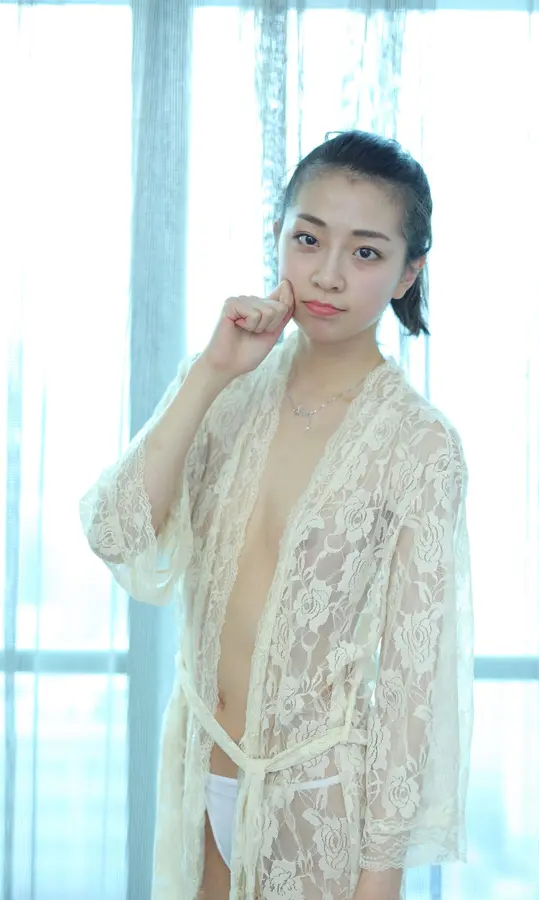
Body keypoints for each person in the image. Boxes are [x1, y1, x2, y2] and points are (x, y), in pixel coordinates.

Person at [80, 130, 474, 900]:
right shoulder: (228, 385)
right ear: (279, 236)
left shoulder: (420, 445)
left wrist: (380, 878)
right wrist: (211, 371)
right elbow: (116, 531)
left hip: (318, 805)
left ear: (408, 272)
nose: (327, 274)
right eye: (309, 239)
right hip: (199, 769)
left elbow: (410, 688)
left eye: (366, 252)